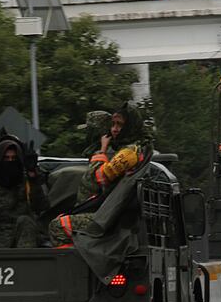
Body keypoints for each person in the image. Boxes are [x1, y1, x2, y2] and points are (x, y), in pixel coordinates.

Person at [51, 102, 153, 247]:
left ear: (130, 126)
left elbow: (97, 178)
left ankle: (70, 269)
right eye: (113, 124)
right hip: (115, 215)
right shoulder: (134, 147)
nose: (115, 129)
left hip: (111, 218)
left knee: (58, 226)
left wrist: (102, 150)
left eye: (119, 125)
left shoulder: (129, 153)